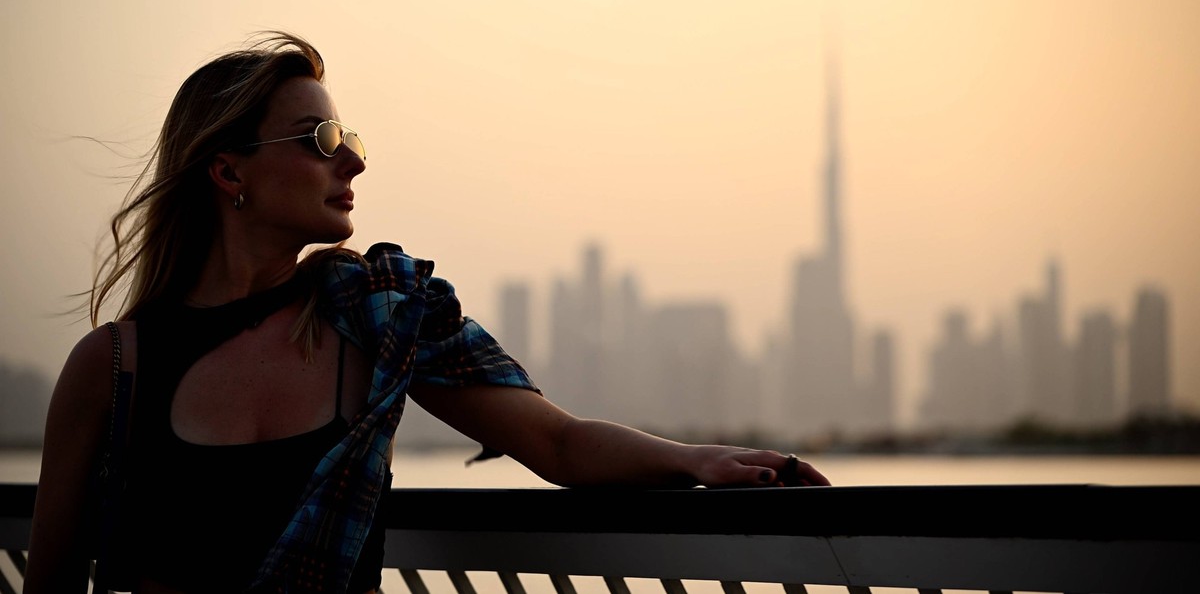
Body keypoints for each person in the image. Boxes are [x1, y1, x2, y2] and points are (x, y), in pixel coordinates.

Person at [25, 31, 831, 594]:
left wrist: (698, 461)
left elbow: (555, 440)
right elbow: (53, 585)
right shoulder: (114, 366)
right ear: (228, 171)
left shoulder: (377, 315)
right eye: (320, 136)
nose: (352, 159)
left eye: (350, 138)